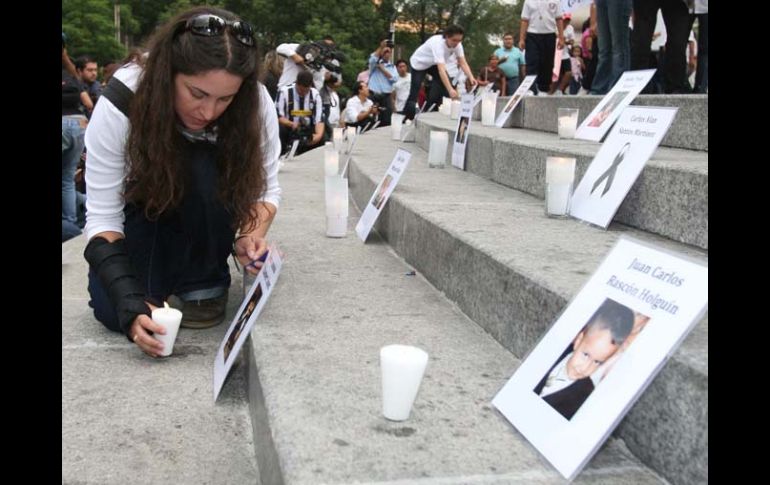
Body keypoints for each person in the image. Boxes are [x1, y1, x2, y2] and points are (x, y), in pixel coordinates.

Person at [83, 7, 281, 358]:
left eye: (225, 99)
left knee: (200, 165)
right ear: (168, 72)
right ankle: (157, 279)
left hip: (210, 206)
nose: (208, 112)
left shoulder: (256, 102)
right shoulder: (123, 98)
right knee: (114, 310)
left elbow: (265, 189)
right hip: (144, 212)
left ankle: (202, 280)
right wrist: (129, 299)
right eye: (197, 93)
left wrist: (251, 235)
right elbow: (101, 218)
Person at [533, 298, 634, 420]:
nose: (585, 368)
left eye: (597, 362)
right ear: (578, 340)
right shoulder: (552, 351)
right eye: (585, 355)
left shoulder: (585, 396)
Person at [403, 25, 477, 120]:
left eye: (459, 40)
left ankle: (443, 109)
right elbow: (441, 70)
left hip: (433, 63)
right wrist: (450, 89)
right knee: (415, 91)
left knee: (447, 85)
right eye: (454, 40)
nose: (456, 43)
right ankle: (408, 118)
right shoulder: (438, 44)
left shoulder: (458, 45)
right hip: (419, 64)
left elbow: (463, 62)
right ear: (446, 37)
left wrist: (471, 77)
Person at [275, 69, 324, 154]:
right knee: (280, 129)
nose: (303, 93)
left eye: (306, 91)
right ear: (296, 83)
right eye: (301, 90)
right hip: (289, 127)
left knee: (323, 136)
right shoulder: (284, 92)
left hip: (308, 129)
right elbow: (278, 116)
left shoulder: (315, 95)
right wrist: (291, 124)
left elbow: (319, 119)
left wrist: (318, 136)